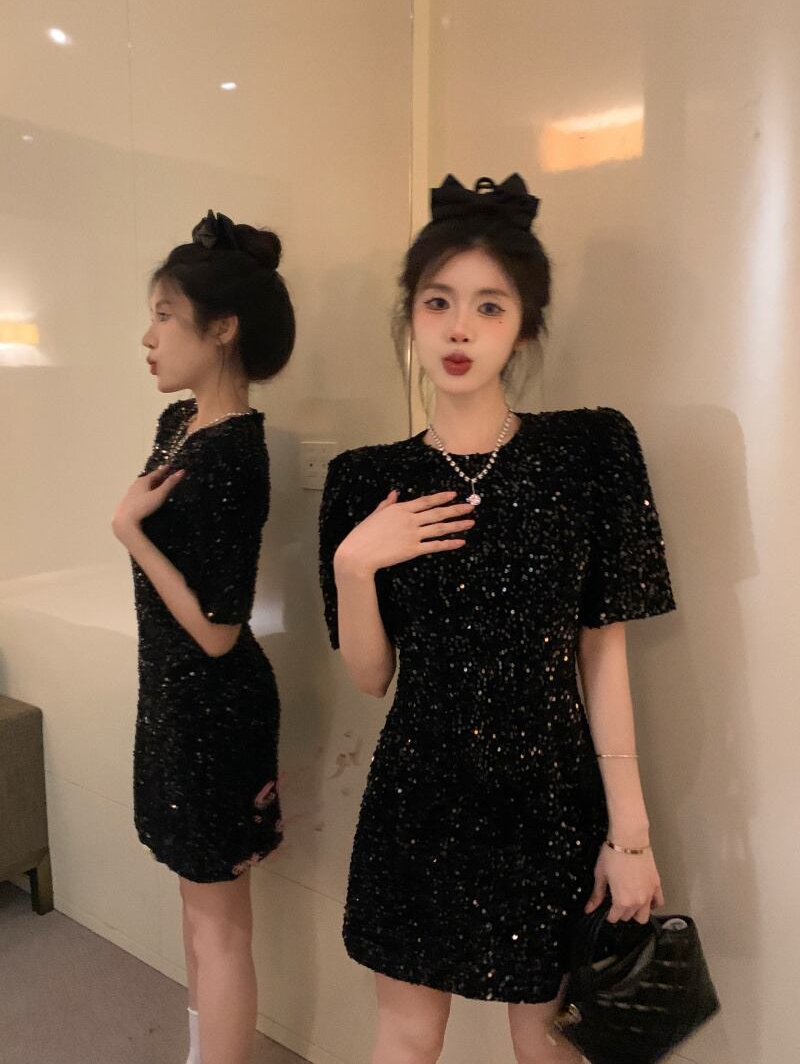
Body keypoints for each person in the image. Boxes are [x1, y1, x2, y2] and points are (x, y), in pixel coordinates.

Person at [318, 175, 675, 1064]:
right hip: (417, 794)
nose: (460, 328)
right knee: (406, 1034)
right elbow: (371, 676)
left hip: (547, 798)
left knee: (547, 1044)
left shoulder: (587, 452)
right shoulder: (366, 479)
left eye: (489, 305)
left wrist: (630, 835)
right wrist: (355, 564)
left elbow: (604, 654)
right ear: (411, 317)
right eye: (438, 302)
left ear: (524, 326)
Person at [112, 210, 294, 1064]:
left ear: (222, 329)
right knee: (197, 912)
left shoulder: (235, 454)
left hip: (214, 705)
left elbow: (220, 632)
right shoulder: (180, 426)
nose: (148, 337)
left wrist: (131, 533)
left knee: (220, 927)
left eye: (164, 316)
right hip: (174, 698)